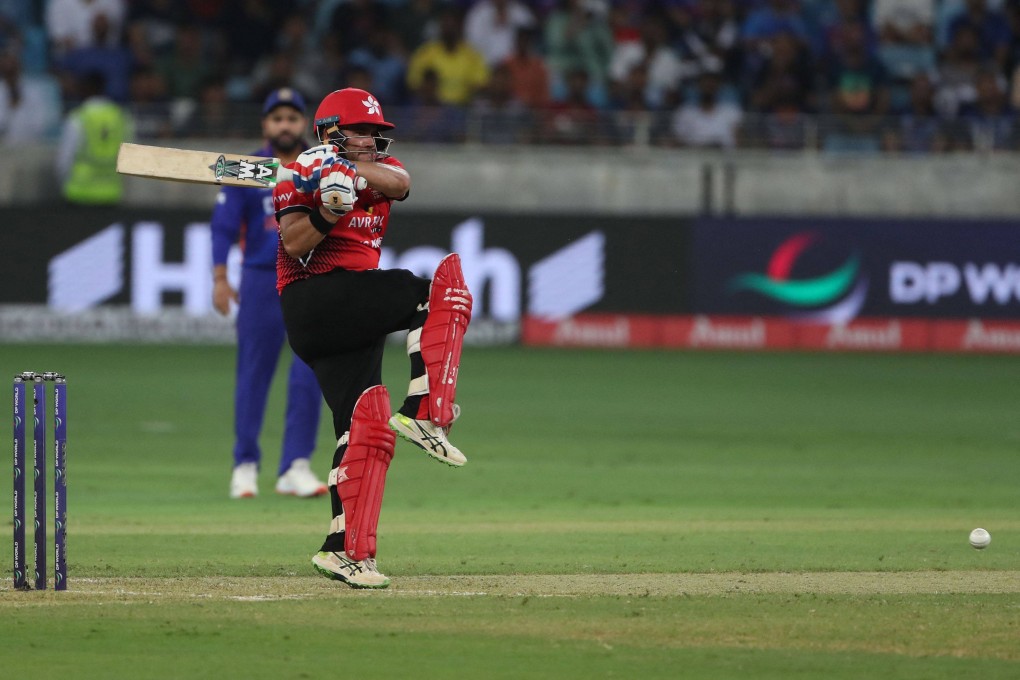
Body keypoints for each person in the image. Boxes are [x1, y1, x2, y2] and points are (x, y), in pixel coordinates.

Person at [273, 87, 473, 589]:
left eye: (377, 133)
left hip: (351, 311)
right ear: (332, 132)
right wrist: (327, 210)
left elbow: (402, 182)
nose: (372, 140)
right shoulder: (297, 175)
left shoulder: (378, 172)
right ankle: (427, 413)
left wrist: (349, 173)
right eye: (362, 132)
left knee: (367, 427)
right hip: (315, 298)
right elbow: (295, 244)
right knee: (439, 295)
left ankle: (345, 553)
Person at [210, 87, 327, 500]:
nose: (284, 125)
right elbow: (223, 225)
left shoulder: (319, 166)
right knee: (253, 375)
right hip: (261, 279)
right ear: (265, 125)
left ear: (303, 123)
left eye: (292, 118)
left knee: (309, 374)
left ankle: (295, 466)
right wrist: (220, 278)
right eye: (276, 118)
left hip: (310, 277)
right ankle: (245, 465)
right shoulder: (250, 169)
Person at [55, 70, 132, 205]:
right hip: (111, 193)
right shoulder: (120, 117)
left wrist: (64, 186)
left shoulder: (78, 118)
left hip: (79, 193)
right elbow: (130, 157)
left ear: (85, 88)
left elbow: (64, 160)